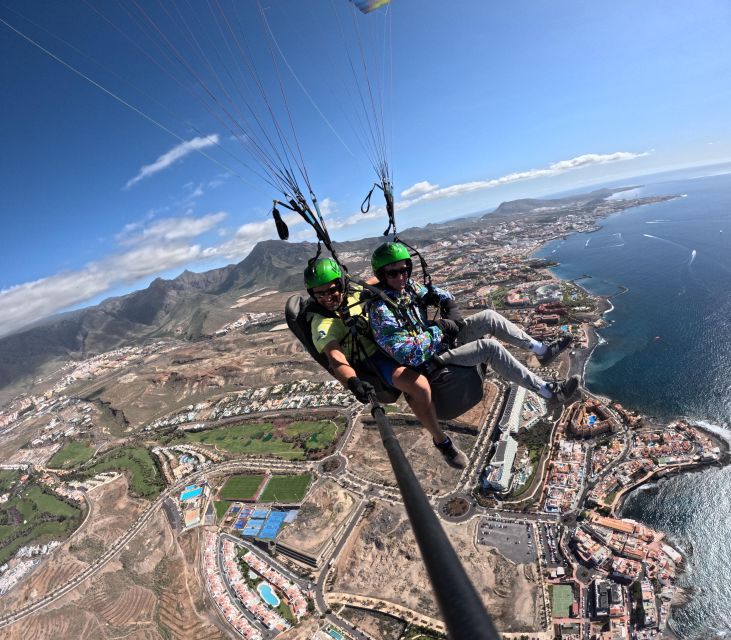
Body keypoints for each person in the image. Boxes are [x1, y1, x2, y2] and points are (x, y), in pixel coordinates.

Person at [368, 242, 580, 406]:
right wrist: (439, 329)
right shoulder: (381, 311)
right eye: (393, 272)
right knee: (489, 348)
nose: (401, 276)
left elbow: (437, 293)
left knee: (489, 316)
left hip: (440, 343)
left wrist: (448, 303)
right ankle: (549, 392)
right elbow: (406, 354)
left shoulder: (408, 288)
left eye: (405, 270)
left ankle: (542, 350)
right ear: (381, 275)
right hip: (427, 361)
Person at [304, 257, 469, 468]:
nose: (328, 297)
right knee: (418, 386)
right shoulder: (323, 323)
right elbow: (335, 358)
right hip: (375, 357)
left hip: (395, 337)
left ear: (342, 283)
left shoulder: (355, 292)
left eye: (332, 289)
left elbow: (381, 278)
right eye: (320, 293)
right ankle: (441, 441)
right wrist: (353, 382)